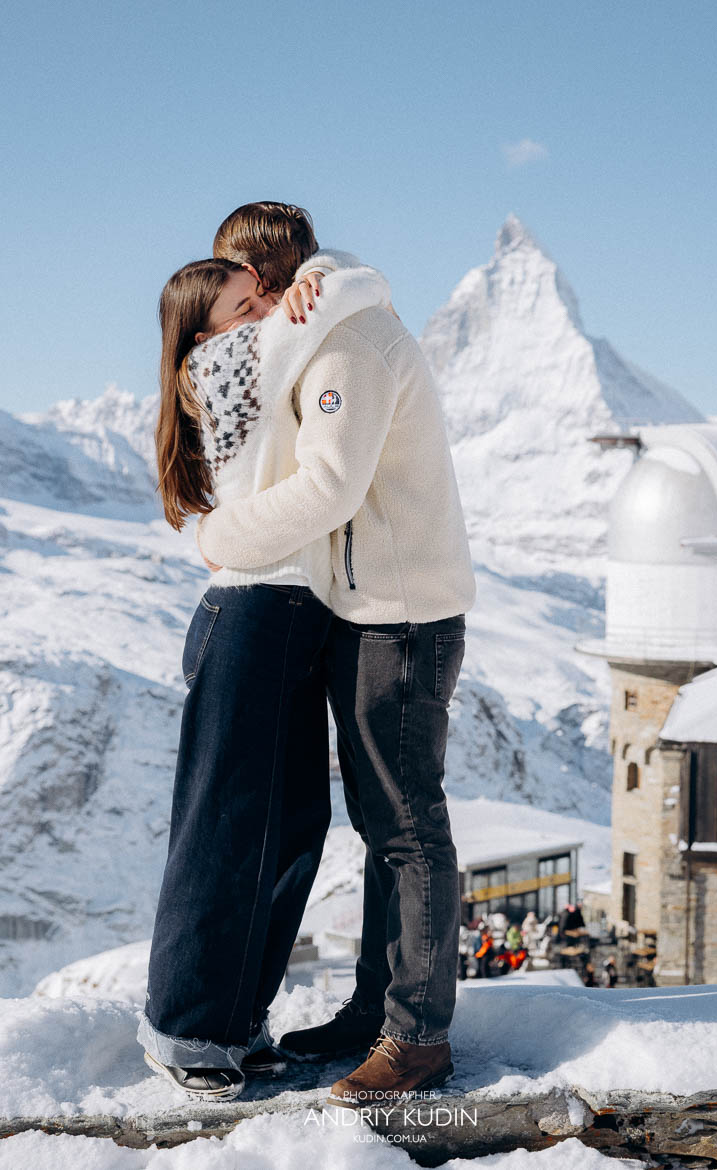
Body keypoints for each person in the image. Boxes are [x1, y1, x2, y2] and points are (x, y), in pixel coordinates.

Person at [196, 201, 476, 1107]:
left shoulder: (347, 345)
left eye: (237, 289)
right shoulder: (323, 327)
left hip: (399, 616)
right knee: (382, 829)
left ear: (267, 281)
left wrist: (221, 536)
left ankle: (418, 1036)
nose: (233, 307)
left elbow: (329, 485)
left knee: (405, 826)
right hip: (371, 608)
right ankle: (377, 1011)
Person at [138, 237, 392, 1100]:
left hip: (286, 618)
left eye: (266, 298)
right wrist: (323, 273)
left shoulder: (253, 352)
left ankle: (236, 1020)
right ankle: (184, 1027)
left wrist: (301, 281)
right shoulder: (227, 362)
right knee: (226, 830)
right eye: (245, 305)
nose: (268, 312)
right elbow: (332, 303)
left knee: (287, 831)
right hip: (252, 614)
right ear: (204, 335)